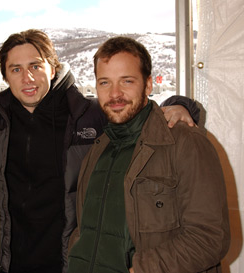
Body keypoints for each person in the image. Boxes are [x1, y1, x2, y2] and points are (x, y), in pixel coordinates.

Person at [0, 29, 199, 273]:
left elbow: (132, 109)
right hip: (7, 261)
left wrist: (182, 105)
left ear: (52, 68)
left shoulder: (88, 115)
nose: (27, 78)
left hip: (69, 261)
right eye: (16, 69)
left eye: (35, 66)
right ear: (5, 75)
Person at [67, 36, 230, 273]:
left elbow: (210, 238)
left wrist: (142, 269)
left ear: (149, 84)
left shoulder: (185, 144)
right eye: (104, 82)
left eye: (127, 81)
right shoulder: (98, 148)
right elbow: (86, 229)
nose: (115, 94)